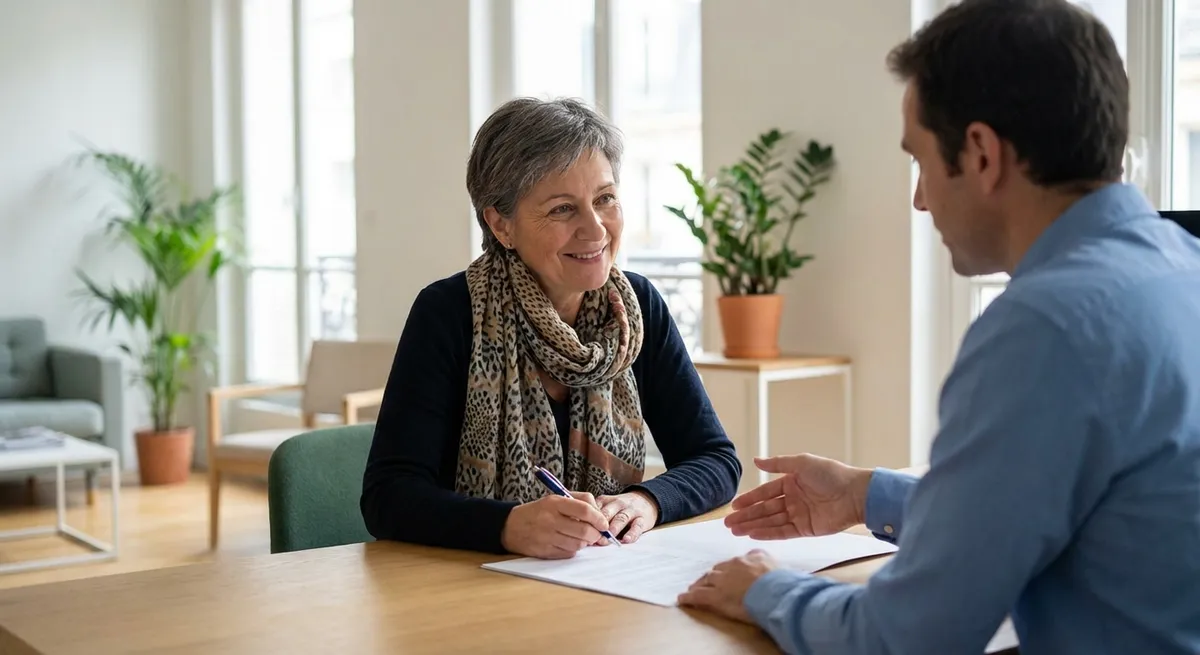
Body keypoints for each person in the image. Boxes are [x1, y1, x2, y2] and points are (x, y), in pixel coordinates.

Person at [678, 0, 1200, 653]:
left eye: (920, 161)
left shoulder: (1047, 328)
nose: (920, 198)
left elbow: (904, 636)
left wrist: (763, 587)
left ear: (981, 153)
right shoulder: (1181, 266)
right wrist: (865, 495)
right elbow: (1047, 500)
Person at [360, 97, 742, 560]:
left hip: (602, 582)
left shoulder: (635, 309)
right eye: (563, 209)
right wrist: (506, 525)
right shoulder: (448, 312)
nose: (595, 229)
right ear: (501, 224)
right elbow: (388, 497)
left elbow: (716, 460)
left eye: (605, 199)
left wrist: (646, 501)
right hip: (468, 585)